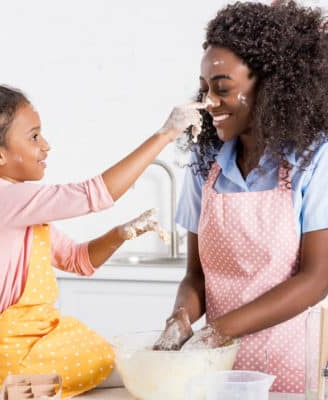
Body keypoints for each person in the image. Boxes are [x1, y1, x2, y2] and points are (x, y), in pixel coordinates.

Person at [0, 72, 200, 397]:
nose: (45, 146)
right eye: (33, 137)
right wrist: (166, 134)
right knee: (139, 369)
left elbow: (78, 260)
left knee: (131, 365)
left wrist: (120, 234)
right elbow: (94, 194)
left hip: (30, 347)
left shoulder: (12, 203)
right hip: (15, 358)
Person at [154, 0, 328, 394]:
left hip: (294, 367)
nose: (208, 102)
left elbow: (317, 279)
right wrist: (180, 320)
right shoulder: (205, 162)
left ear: (271, 84)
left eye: (222, 89)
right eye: (203, 90)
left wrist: (215, 332)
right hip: (221, 372)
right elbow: (196, 275)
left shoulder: (315, 160)